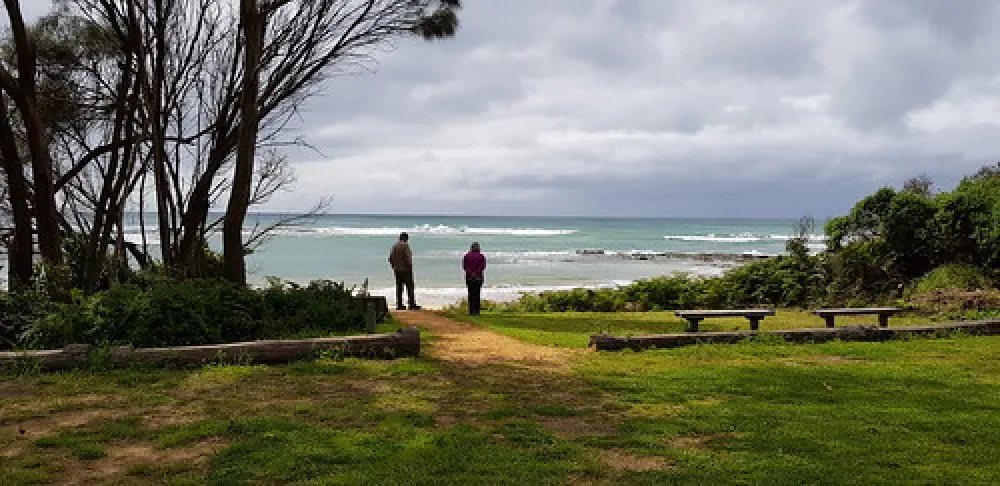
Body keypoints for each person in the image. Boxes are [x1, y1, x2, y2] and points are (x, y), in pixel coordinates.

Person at [388, 232, 420, 310]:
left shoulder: (395, 246)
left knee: (399, 288)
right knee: (410, 287)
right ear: (406, 238)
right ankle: (411, 304)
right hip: (406, 270)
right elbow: (407, 258)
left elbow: (390, 258)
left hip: (397, 270)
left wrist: (394, 267)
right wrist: (410, 267)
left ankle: (399, 305)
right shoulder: (405, 246)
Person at [462, 242, 487, 315]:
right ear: (478, 248)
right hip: (479, 277)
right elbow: (483, 267)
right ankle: (477, 311)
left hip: (469, 277)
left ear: (471, 248)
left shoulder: (467, 256)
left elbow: (465, 267)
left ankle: (471, 311)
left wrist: (471, 273)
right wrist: (476, 273)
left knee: (471, 294)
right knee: (477, 294)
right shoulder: (481, 256)